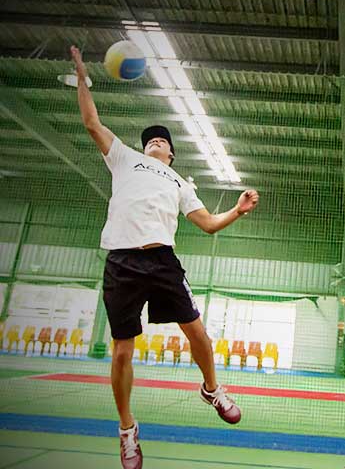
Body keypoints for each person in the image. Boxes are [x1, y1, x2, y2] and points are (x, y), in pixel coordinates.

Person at [71, 45, 259, 469]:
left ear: (171, 153)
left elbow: (208, 224)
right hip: (121, 262)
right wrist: (83, 77)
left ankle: (211, 388)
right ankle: (126, 429)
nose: (157, 139)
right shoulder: (124, 159)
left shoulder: (178, 181)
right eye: (152, 137)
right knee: (122, 352)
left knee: (199, 336)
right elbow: (91, 122)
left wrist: (237, 210)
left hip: (163, 262)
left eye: (164, 139)